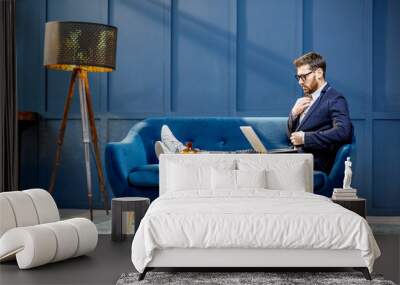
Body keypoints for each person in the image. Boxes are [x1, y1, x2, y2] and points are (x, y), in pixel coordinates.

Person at [287, 52, 353, 174]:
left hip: (315, 163)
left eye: (304, 76)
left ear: (319, 73)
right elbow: (292, 135)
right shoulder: (306, 100)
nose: (300, 82)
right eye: (298, 77)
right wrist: (294, 114)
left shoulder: (334, 98)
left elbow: (344, 131)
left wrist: (306, 138)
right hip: (297, 159)